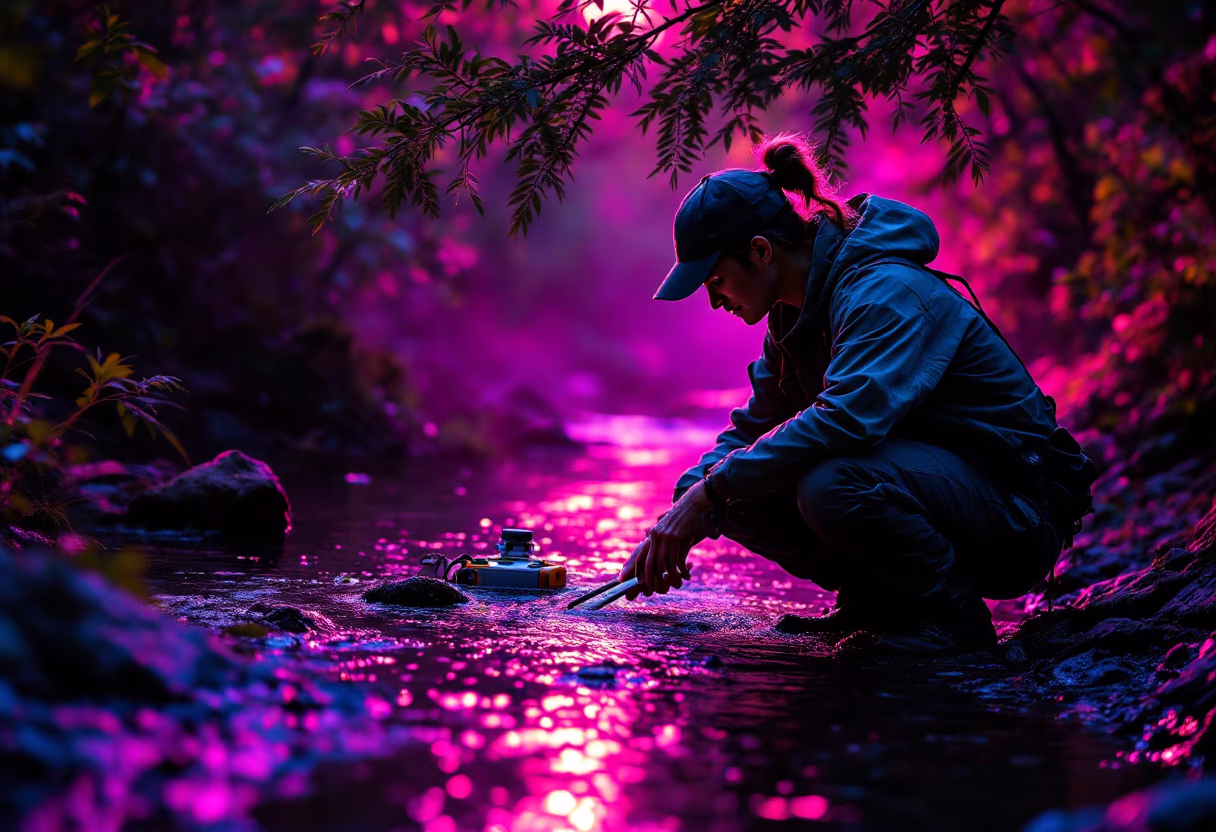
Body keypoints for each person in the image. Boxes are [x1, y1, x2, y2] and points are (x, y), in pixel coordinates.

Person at [616, 133, 1097, 656]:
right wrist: (683, 508)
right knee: (730, 493)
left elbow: (845, 420)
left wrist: (708, 492)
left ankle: (954, 621)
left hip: (1018, 512)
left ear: (760, 250)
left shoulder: (884, 292)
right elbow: (752, 429)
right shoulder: (789, 320)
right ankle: (877, 602)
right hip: (943, 494)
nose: (713, 302)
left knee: (828, 482)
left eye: (714, 281)